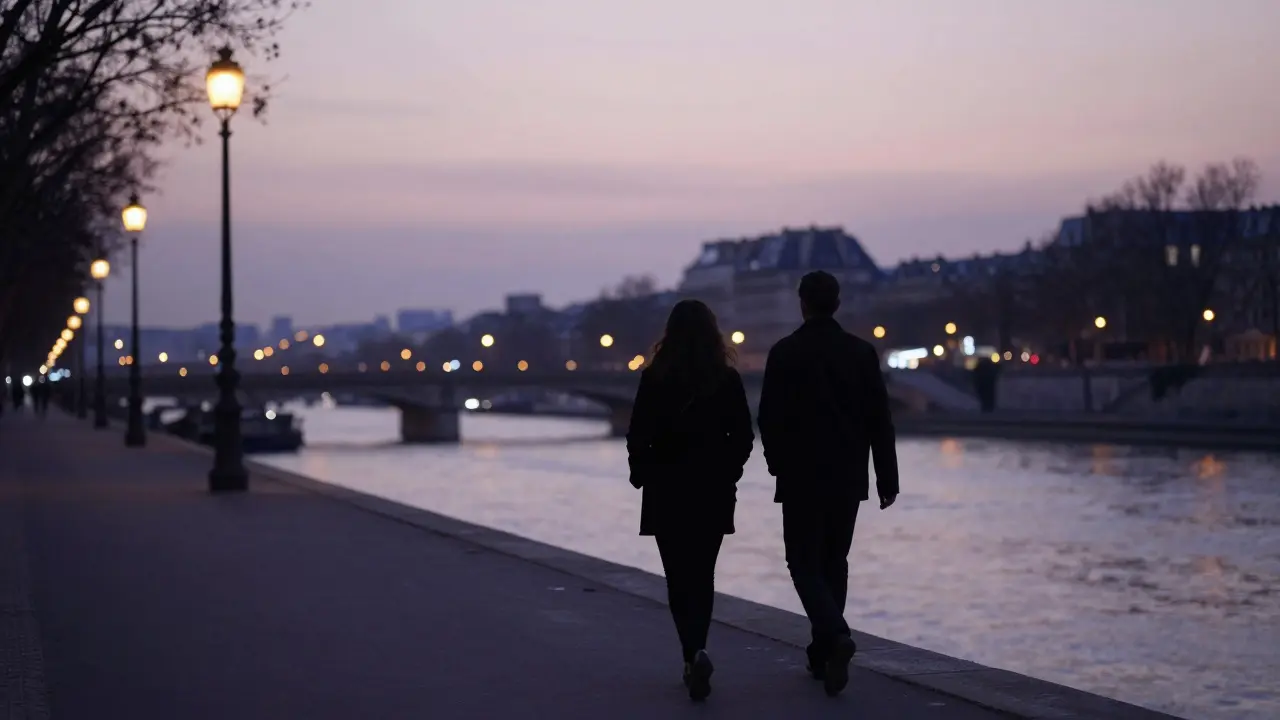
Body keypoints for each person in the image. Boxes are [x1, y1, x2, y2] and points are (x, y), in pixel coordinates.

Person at [757, 270, 900, 697]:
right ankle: (823, 653)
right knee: (834, 560)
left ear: (802, 303)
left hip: (801, 474)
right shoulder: (861, 352)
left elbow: (768, 417)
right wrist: (886, 477)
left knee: (802, 561)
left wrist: (776, 463)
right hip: (848, 473)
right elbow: (880, 419)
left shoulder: (785, 352)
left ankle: (835, 635)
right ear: (837, 303)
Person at [626, 299, 754, 702]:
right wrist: (728, 472)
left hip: (666, 489)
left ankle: (690, 654)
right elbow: (744, 438)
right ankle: (698, 648)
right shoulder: (727, 380)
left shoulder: (654, 378)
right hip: (712, 489)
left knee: (678, 577)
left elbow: (636, 434)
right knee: (704, 574)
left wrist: (641, 473)